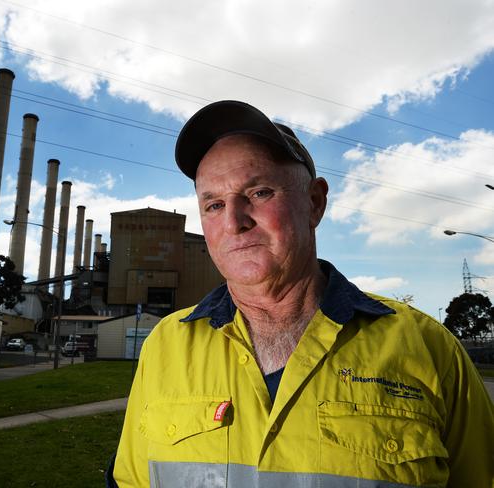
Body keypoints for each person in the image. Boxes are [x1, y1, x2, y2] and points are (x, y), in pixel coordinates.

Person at [109, 100, 494, 487]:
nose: (234, 222)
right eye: (214, 204)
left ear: (314, 202)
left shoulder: (428, 348)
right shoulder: (165, 346)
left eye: (259, 193)